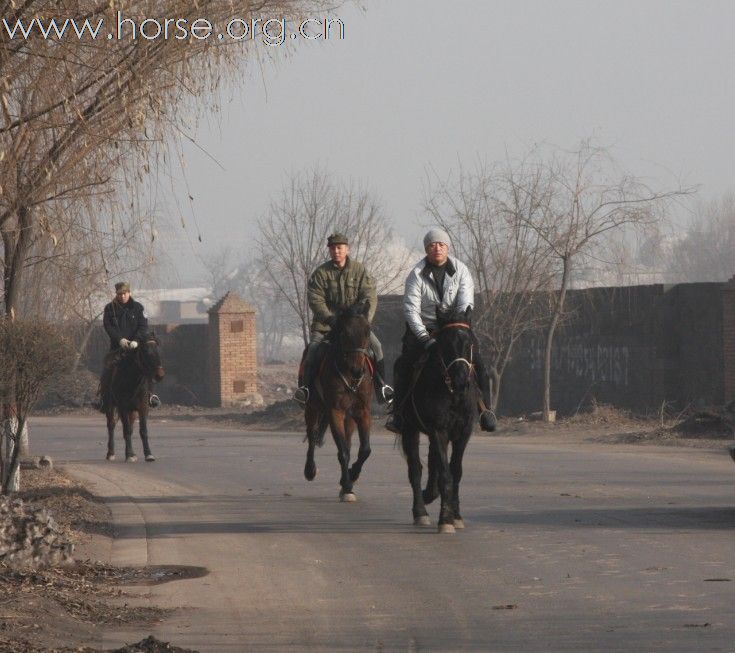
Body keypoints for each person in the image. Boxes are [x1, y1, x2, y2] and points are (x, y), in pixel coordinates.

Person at [385, 228, 496, 433]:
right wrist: (425, 339)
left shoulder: (462, 270)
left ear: (448, 247)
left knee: (479, 363)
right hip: (423, 330)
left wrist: (454, 325)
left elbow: (466, 302)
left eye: (441, 244)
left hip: (454, 326)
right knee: (403, 364)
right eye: (432, 245)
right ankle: (399, 414)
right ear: (426, 249)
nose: (437, 248)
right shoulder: (416, 274)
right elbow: (411, 310)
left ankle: (485, 410)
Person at [294, 233, 393, 406]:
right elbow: (315, 299)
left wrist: (362, 321)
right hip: (326, 326)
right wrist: (329, 318)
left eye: (339, 247)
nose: (336, 251)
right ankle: (307, 390)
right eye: (333, 248)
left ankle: (381, 387)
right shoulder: (321, 273)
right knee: (313, 351)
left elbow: (369, 296)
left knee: (376, 347)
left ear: (347, 249)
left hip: (354, 327)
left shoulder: (359, 270)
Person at [99, 281, 160, 411]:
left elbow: (143, 326)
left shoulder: (138, 308)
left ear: (129, 293)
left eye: (125, 293)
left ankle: (151, 395)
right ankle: (103, 398)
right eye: (120, 294)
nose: (122, 296)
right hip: (117, 347)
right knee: (107, 368)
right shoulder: (110, 308)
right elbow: (108, 326)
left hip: (136, 347)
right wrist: (120, 339)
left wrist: (137, 340)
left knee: (149, 365)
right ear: (116, 294)